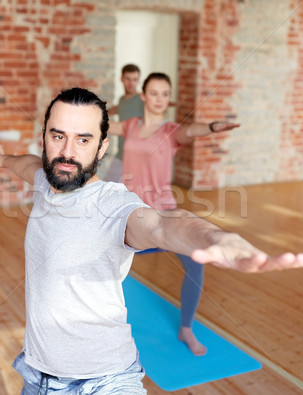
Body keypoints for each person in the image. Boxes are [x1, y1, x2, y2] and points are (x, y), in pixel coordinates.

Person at [0, 87, 303, 393]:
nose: (66, 152)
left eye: (82, 140)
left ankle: (187, 327)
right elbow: (27, 165)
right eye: (57, 136)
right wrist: (1, 159)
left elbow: (162, 225)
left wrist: (216, 237)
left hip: (105, 380)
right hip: (37, 376)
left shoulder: (114, 204)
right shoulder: (44, 178)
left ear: (102, 146)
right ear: (44, 136)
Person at [107, 72, 241, 356]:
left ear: (169, 99)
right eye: (154, 93)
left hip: (163, 211)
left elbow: (190, 131)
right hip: (130, 213)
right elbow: (103, 125)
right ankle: (99, 329)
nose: (159, 99)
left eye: (165, 94)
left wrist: (212, 127)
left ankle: (186, 328)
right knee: (104, 267)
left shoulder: (170, 131)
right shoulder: (129, 126)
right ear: (143, 96)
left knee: (195, 263)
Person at [102, 64, 144, 182]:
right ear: (122, 79)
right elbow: (118, 108)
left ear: (139, 80)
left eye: (135, 80)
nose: (131, 83)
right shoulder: (122, 100)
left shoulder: (143, 99)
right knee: (108, 187)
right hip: (121, 154)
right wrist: (99, 113)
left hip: (138, 157)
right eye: (128, 79)